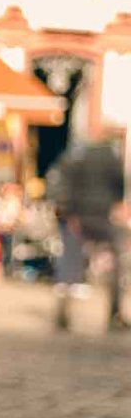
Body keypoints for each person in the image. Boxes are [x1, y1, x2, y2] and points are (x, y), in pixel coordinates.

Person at [47, 135, 127, 333]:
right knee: (117, 261)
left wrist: (68, 212)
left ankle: (62, 314)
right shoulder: (111, 154)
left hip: (78, 218)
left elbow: (60, 182)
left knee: (70, 265)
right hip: (100, 217)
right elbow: (119, 186)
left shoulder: (75, 155)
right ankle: (114, 314)